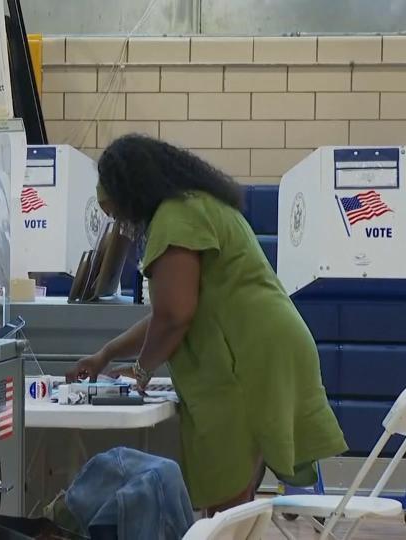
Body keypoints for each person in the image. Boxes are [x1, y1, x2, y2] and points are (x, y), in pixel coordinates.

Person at [67, 134, 348, 516]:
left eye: (116, 212)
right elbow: (169, 311)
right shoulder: (195, 204)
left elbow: (174, 315)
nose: (119, 223)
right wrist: (107, 354)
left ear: (131, 190)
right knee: (236, 499)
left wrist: (140, 371)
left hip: (250, 358)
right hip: (267, 348)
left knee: (224, 502)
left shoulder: (175, 217)